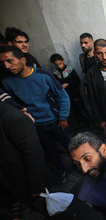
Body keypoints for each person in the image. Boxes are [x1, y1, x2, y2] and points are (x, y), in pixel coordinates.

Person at [0, 101, 74, 220]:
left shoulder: (11, 116)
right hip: (13, 182)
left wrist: (36, 185)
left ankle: (66, 218)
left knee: (50, 204)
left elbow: (34, 152)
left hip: (32, 180)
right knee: (40, 207)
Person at [0, 45, 71, 184]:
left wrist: (62, 117)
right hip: (35, 125)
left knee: (68, 144)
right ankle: (61, 169)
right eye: (2, 63)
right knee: (49, 150)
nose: (6, 66)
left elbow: (62, 96)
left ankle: (78, 163)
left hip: (56, 121)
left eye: (10, 61)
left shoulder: (44, 75)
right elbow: (15, 105)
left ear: (23, 60)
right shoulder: (7, 83)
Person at [50, 53, 91, 125]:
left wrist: (68, 84)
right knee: (72, 109)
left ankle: (89, 122)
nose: (59, 66)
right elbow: (55, 82)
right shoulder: (55, 72)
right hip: (65, 95)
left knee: (80, 107)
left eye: (60, 63)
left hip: (74, 93)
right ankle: (80, 123)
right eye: (56, 65)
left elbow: (77, 80)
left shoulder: (69, 69)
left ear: (62, 60)